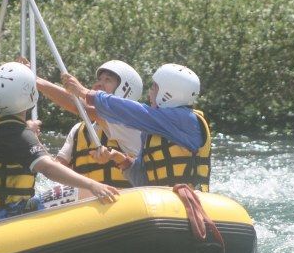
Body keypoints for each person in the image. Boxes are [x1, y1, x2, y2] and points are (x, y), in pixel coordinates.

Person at [0, 62, 121, 224]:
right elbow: (48, 168)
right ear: (30, 96)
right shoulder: (15, 131)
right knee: (84, 192)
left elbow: (46, 162)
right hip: (4, 214)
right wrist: (92, 185)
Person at [63, 63, 211, 192]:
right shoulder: (152, 131)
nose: (150, 92)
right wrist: (121, 160)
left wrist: (86, 93)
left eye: (154, 87)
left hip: (190, 201)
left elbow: (134, 112)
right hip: (163, 201)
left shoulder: (186, 120)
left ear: (169, 93)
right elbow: (142, 179)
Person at [35, 60, 143, 192]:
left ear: (125, 91)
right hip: (87, 206)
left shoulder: (129, 124)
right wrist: (36, 144)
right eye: (99, 79)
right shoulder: (78, 130)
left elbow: (80, 107)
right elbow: (56, 170)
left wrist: (35, 80)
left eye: (107, 80)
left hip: (124, 203)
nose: (98, 84)